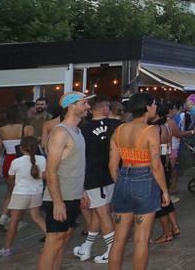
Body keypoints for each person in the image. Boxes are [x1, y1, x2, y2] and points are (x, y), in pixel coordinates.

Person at [107, 93, 170, 270]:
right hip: (144, 179)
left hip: (122, 178)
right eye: (155, 104)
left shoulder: (119, 130)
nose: (156, 107)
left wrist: (121, 182)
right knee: (141, 240)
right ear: (147, 107)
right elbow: (156, 165)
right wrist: (164, 190)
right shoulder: (150, 131)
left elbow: (112, 165)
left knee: (118, 239)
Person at [37, 92, 90, 270]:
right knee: (53, 241)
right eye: (84, 104)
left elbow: (76, 165)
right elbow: (51, 170)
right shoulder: (60, 132)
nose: (88, 107)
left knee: (63, 239)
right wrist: (58, 202)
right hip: (59, 197)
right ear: (72, 106)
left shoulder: (78, 131)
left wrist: (82, 192)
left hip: (73, 195)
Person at [72, 96, 120, 263]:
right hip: (113, 174)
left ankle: (111, 250)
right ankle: (87, 246)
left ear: (91, 109)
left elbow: (80, 158)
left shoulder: (82, 130)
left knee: (102, 212)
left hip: (92, 176)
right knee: (99, 213)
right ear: (106, 108)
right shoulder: (117, 126)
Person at [0, 136, 46, 256]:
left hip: (21, 193)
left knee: (14, 221)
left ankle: (6, 249)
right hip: (36, 192)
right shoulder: (42, 159)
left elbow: (10, 177)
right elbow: (44, 175)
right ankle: (52, 239)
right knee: (37, 217)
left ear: (21, 148)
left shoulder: (16, 162)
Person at [0, 105, 34, 232]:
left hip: (8, 161)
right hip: (22, 161)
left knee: (10, 191)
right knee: (21, 193)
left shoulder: (2, 129)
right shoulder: (27, 128)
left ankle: (3, 217)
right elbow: (31, 146)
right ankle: (18, 221)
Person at [151, 103, 180, 244]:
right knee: (165, 196)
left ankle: (166, 232)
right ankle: (174, 227)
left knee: (160, 199)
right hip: (166, 162)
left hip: (159, 163)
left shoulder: (155, 129)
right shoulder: (167, 126)